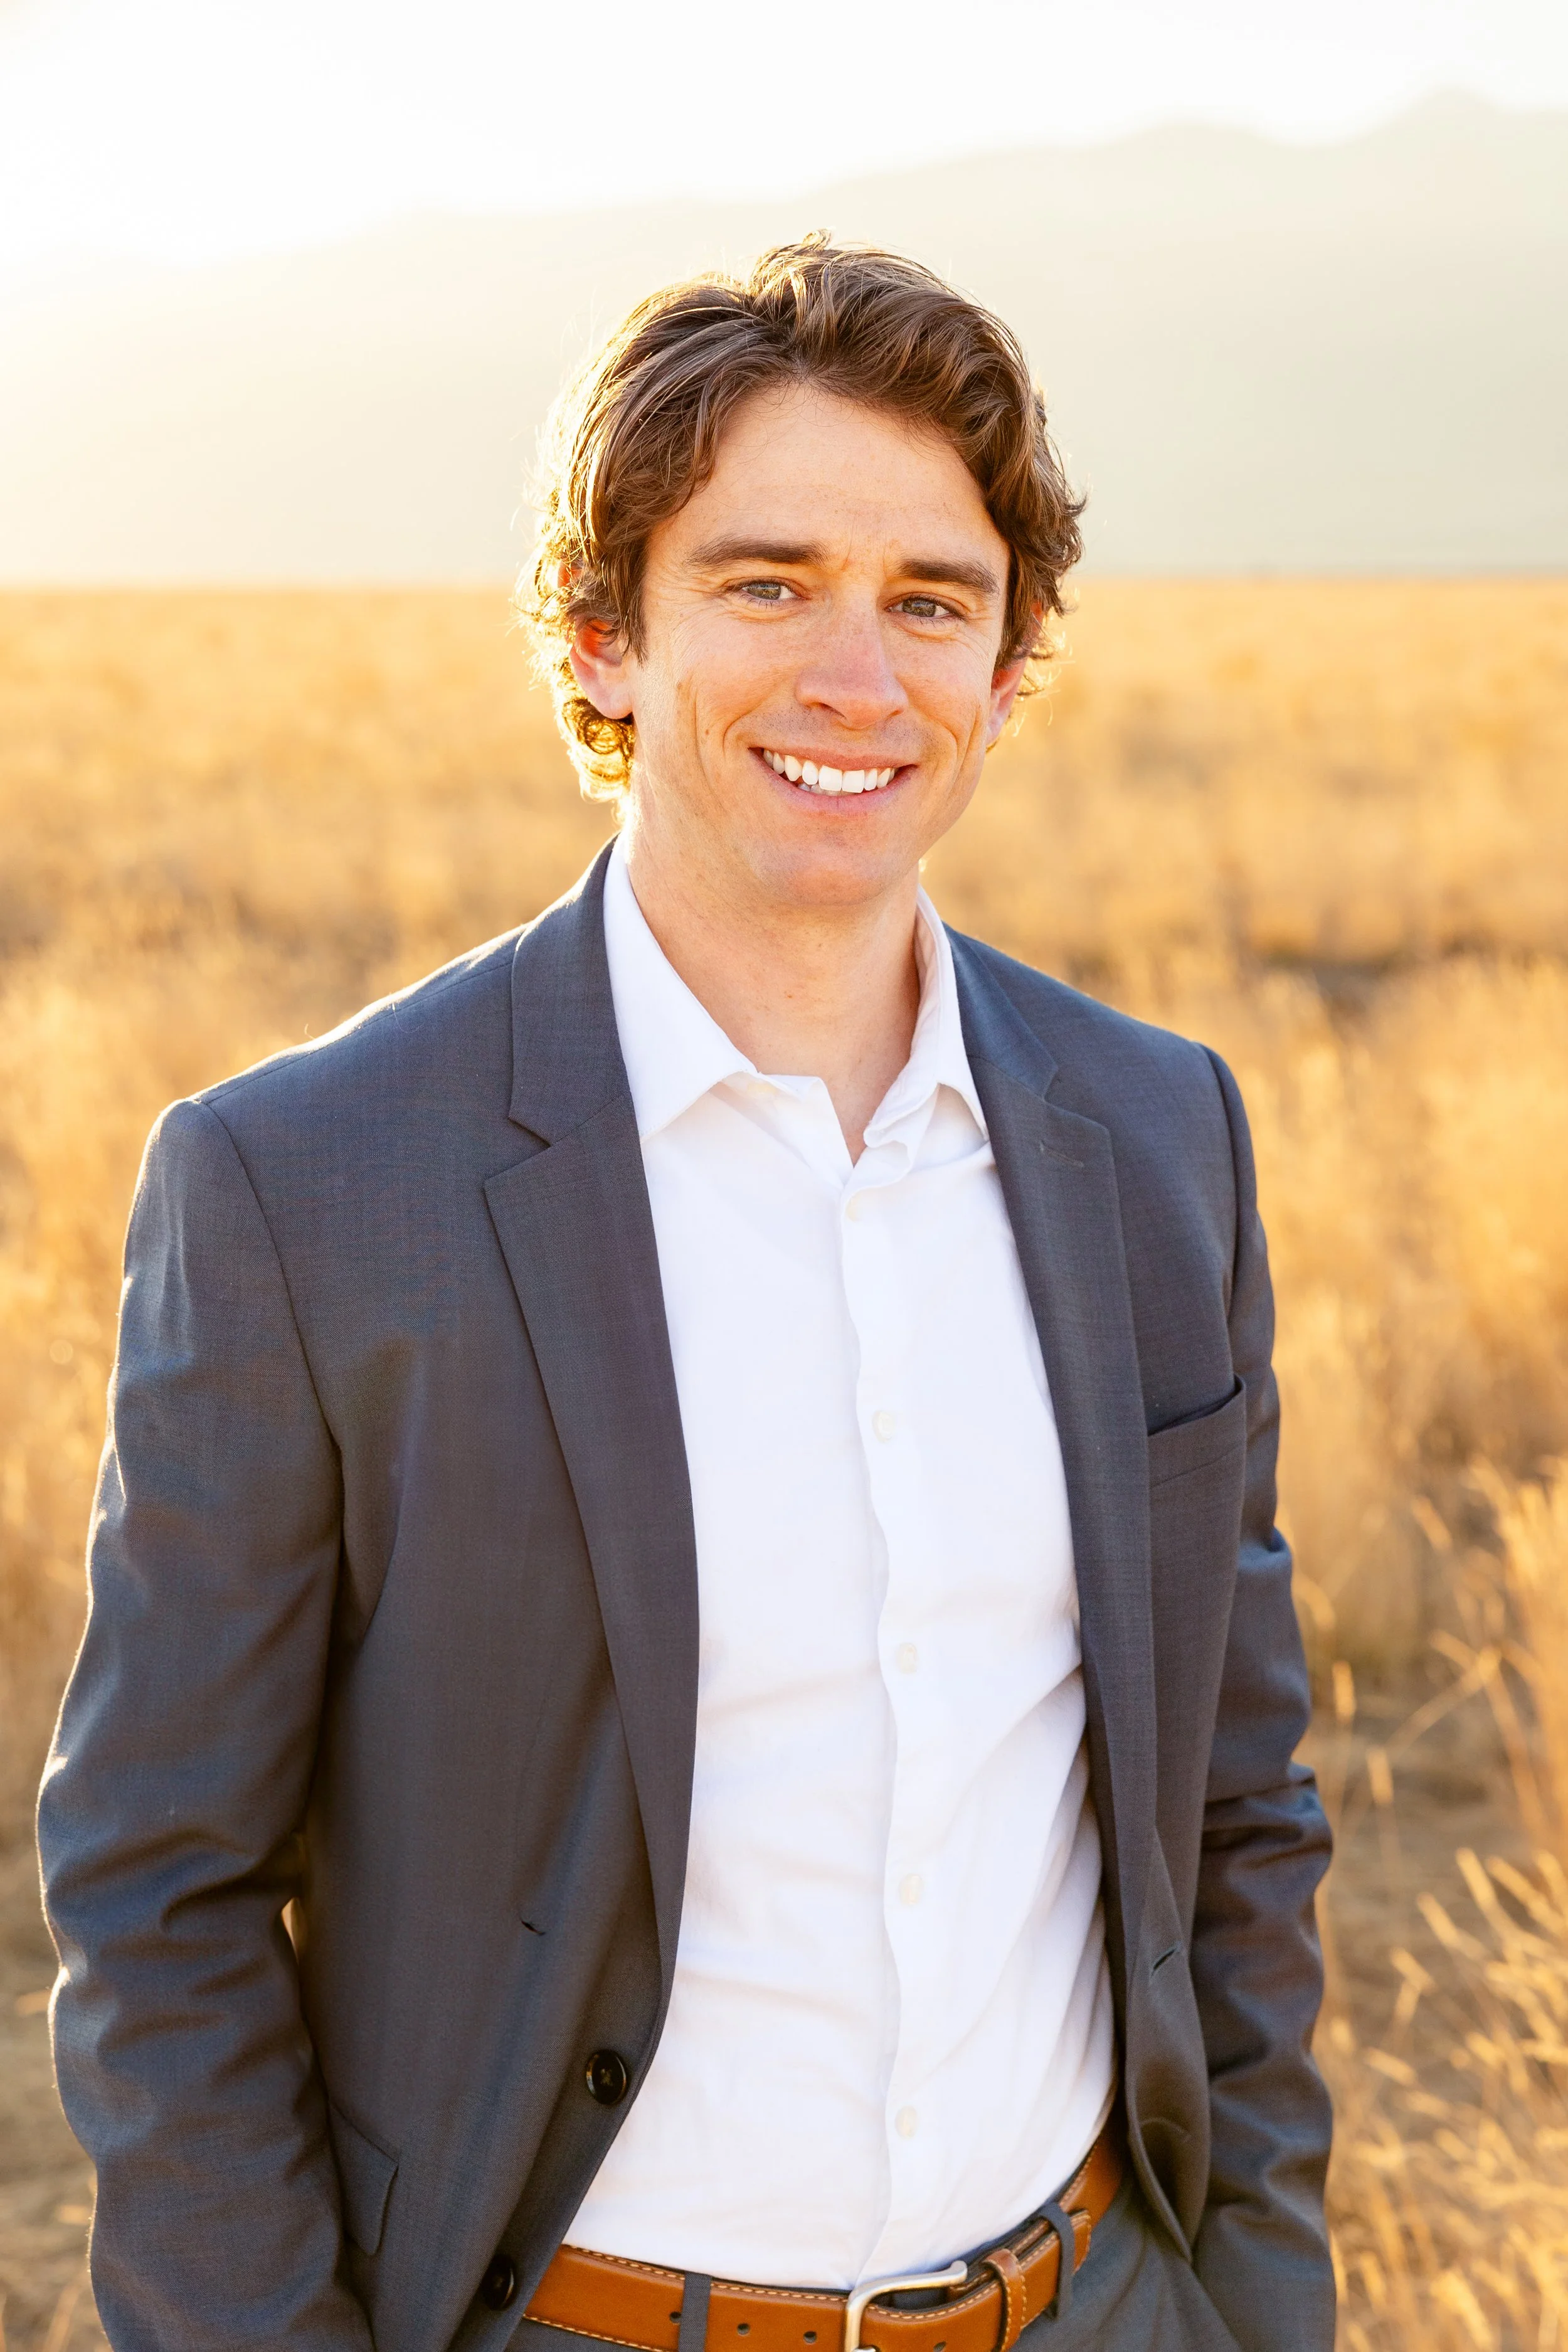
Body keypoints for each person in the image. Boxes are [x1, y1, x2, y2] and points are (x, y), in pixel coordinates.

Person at [38, 237, 1332, 2352]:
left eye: (933, 600)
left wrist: (1257, 2301)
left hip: (1105, 2301)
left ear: (1006, 670)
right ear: (601, 634)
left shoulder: (1153, 1132)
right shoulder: (308, 1185)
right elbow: (157, 1888)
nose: (858, 674)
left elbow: (1238, 1805)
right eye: (763, 580)